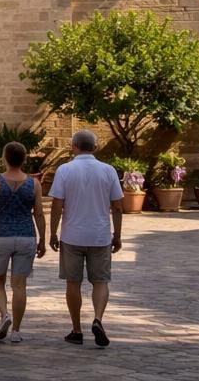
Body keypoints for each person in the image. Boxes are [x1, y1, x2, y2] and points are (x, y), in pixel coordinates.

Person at [48, 129, 124, 348]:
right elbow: (117, 206)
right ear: (96, 147)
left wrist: (53, 233)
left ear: (73, 146)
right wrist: (116, 235)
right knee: (101, 281)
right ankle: (98, 318)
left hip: (72, 235)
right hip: (100, 235)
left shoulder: (65, 170)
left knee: (73, 283)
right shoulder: (108, 171)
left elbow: (57, 205)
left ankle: (76, 329)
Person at [0, 141, 46, 343]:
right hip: (26, 236)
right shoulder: (34, 184)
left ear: (5, 158)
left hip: (0, 236)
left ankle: (4, 314)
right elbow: (39, 213)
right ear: (24, 159)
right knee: (19, 285)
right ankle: (16, 331)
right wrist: (42, 240)